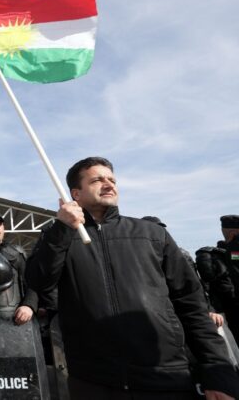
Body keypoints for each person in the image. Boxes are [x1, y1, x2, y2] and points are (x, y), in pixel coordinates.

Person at [26, 157, 239, 399]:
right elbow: (39, 282)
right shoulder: (59, 238)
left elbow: (191, 303)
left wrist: (217, 370)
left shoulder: (152, 235)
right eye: (97, 180)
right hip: (93, 379)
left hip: (165, 375)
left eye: (112, 179)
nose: (108, 184)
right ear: (76, 193)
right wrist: (62, 229)